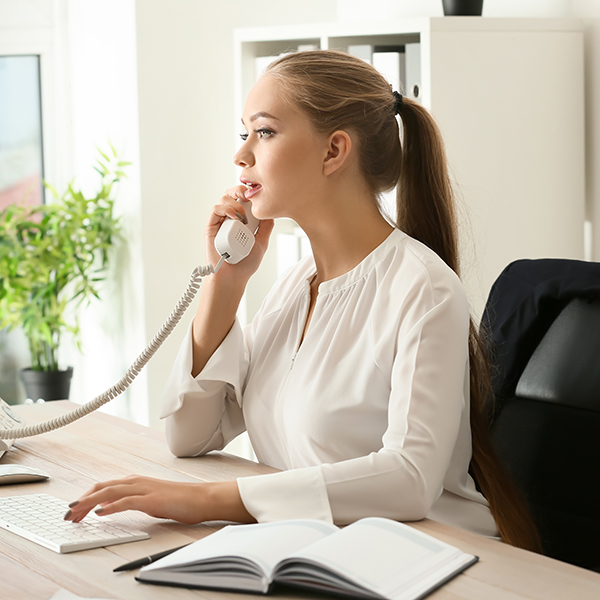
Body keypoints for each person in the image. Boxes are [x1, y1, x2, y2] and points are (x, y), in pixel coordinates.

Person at [65, 50, 540, 551]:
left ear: (334, 151)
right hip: (312, 551)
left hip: (423, 559)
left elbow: (409, 479)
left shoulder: (422, 288)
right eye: (243, 132)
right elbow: (189, 436)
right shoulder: (294, 287)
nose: (241, 154)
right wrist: (225, 283)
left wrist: (210, 501)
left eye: (264, 132)